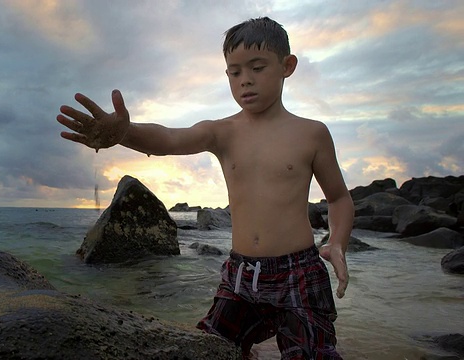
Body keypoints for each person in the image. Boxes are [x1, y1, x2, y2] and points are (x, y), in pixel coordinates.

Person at [56, 16, 353, 360]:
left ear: (287, 66)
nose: (245, 81)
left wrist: (337, 242)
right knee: (211, 350)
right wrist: (124, 132)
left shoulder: (311, 134)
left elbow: (339, 198)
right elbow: (168, 138)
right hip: (241, 276)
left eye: (257, 68)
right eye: (235, 72)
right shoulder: (222, 132)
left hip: (299, 274)